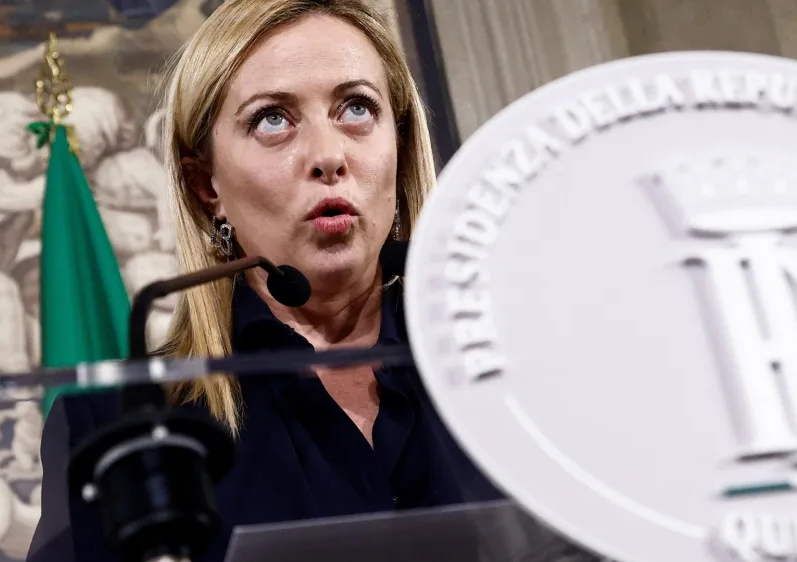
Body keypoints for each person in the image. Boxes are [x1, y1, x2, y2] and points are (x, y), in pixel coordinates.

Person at [26, 1, 503, 561]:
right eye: (272, 119)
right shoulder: (119, 433)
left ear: (396, 148)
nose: (329, 156)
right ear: (208, 188)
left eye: (356, 108)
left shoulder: (515, 379)